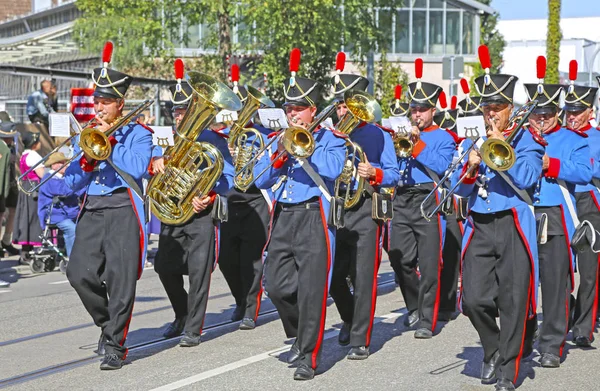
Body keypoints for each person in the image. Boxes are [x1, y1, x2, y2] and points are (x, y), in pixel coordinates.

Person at [451, 45, 544, 391]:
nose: (491, 115)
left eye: (497, 109)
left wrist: (501, 149)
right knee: (473, 299)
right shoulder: (469, 142)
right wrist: (472, 166)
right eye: (486, 108)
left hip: (514, 223)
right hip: (480, 224)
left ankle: (508, 369)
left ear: (511, 109)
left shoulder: (527, 139)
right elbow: (457, 193)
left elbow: (529, 176)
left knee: (514, 301)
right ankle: (492, 349)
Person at [253, 48, 346, 380]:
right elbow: (260, 178)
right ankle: (298, 334)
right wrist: (279, 151)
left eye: (298, 109)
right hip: (284, 215)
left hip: (314, 216)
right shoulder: (276, 139)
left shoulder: (331, 140)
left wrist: (305, 148)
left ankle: (310, 354)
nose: (292, 115)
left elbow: (334, 169)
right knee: (276, 285)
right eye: (289, 108)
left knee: (312, 289)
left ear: (313, 111)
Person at [64, 42, 153, 371]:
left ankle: (116, 344)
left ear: (120, 104)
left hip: (123, 209)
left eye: (105, 103)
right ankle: (108, 324)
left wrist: (110, 144)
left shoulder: (139, 134)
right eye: (96, 102)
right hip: (93, 209)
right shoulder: (85, 134)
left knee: (120, 279)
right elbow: (72, 183)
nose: (98, 109)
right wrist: (86, 160)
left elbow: (137, 167)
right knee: (78, 274)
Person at [151, 59, 235, 345]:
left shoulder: (214, 139)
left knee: (199, 272)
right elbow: (149, 167)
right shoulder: (165, 139)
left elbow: (230, 178)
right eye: (176, 111)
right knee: (164, 267)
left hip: (200, 213)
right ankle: (182, 313)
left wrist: (209, 195)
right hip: (171, 211)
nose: (178, 116)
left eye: (184, 110)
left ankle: (193, 328)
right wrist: (157, 161)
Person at [328, 52, 400, 360]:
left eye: (349, 105)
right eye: (341, 105)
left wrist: (376, 173)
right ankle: (348, 317)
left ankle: (361, 338)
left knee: (363, 275)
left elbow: (394, 173)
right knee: (334, 277)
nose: (344, 110)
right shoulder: (328, 134)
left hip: (365, 207)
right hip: (337, 208)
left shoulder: (378, 134)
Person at [524, 57, 592, 368]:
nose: (540, 120)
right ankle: (522, 338)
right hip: (522, 212)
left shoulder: (571, 139)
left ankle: (552, 343)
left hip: (554, 214)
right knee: (519, 282)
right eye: (536, 114)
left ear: (556, 113)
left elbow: (583, 172)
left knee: (554, 284)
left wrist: (554, 165)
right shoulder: (520, 136)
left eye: (547, 114)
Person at [387, 58, 456, 339]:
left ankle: (427, 319)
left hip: (428, 199)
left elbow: (442, 166)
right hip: (402, 198)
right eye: (413, 109)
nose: (416, 115)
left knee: (429, 264)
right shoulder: (401, 133)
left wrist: (417, 145)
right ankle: (413, 305)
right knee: (398, 258)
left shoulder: (444, 137)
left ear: (433, 110)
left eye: (421, 110)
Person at [219, 66, 274, 330]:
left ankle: (251, 309)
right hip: (231, 200)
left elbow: (266, 171)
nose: (240, 115)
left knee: (252, 257)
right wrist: (229, 154)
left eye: (245, 109)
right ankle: (240, 300)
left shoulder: (262, 137)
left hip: (255, 200)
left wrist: (247, 160)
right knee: (226, 258)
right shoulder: (225, 138)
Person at [565, 61, 600, 348]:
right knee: (558, 267)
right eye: (569, 111)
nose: (572, 116)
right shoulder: (557, 136)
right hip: (560, 203)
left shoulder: (597, 137)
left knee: (588, 269)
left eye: (578, 112)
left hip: (588, 202)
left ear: (590, 111)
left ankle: (583, 327)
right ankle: (563, 314)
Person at [432, 92, 464, 322]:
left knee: (457, 250)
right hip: (445, 197)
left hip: (463, 198)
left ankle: (449, 301)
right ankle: (442, 301)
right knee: (445, 251)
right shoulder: (447, 137)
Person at [37, 152, 84, 257]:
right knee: (72, 229)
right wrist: (81, 183)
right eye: (63, 162)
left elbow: (75, 191)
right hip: (54, 214)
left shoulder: (63, 177)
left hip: (68, 213)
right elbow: (64, 191)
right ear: (54, 165)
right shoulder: (49, 179)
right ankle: (73, 259)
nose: (66, 165)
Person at [14, 131, 45, 264]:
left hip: (26, 188)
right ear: (34, 144)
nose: (40, 142)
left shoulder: (24, 154)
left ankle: (26, 251)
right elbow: (42, 174)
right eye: (38, 140)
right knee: (32, 218)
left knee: (26, 218)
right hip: (34, 189)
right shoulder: (33, 155)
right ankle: (28, 252)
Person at [0, 118, 20, 258]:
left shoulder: (11, 146)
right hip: (2, 184)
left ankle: (6, 241)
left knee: (12, 210)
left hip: (11, 181)